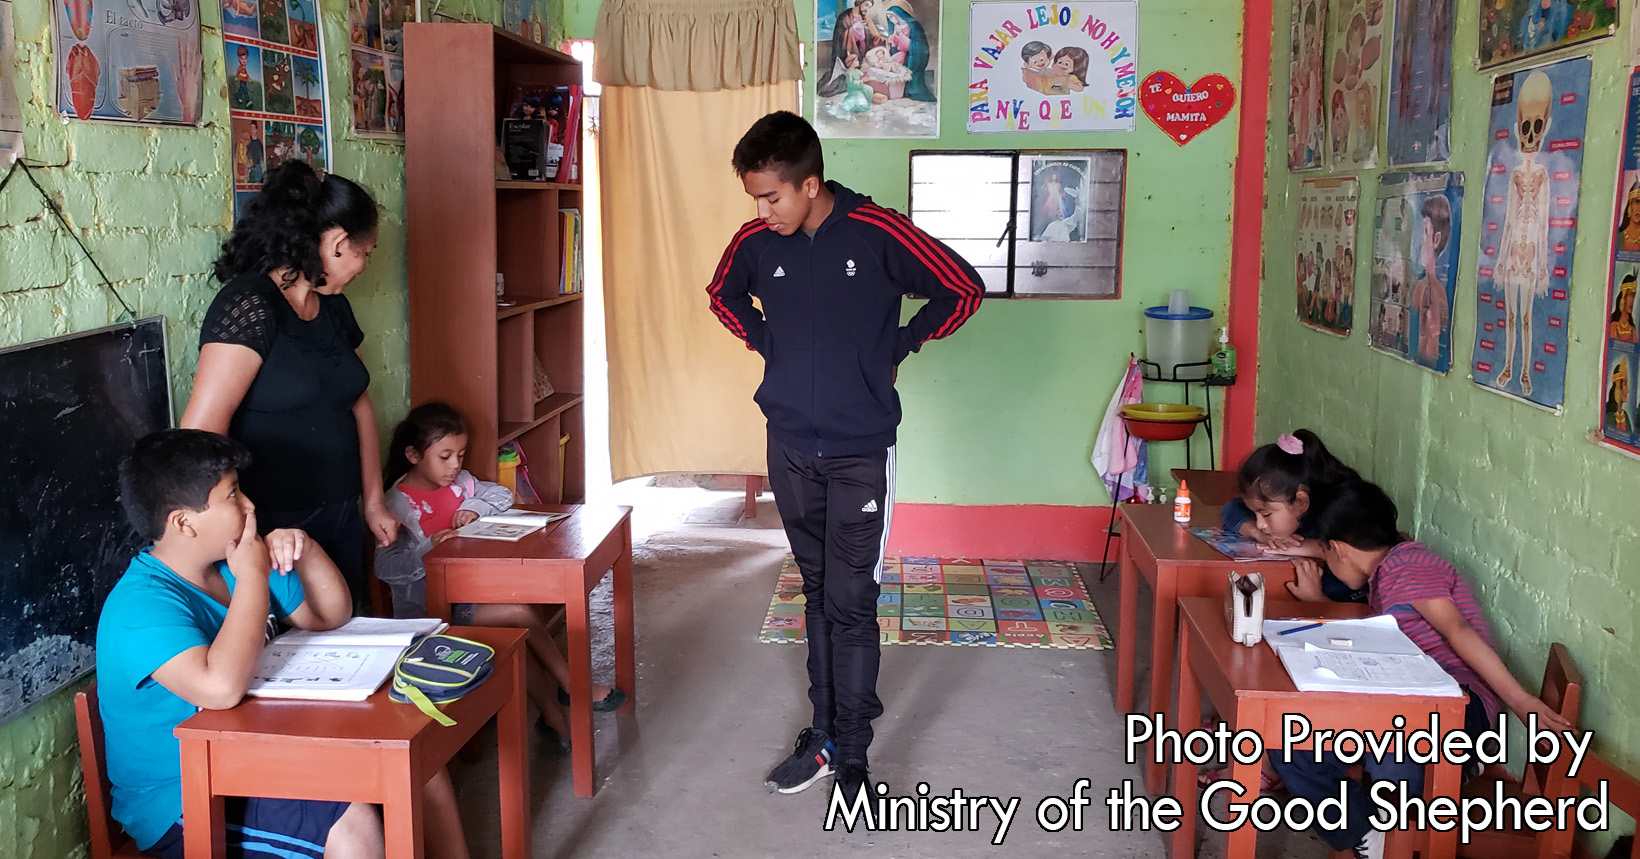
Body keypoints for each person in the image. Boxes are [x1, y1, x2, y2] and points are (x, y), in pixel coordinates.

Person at [708, 111, 982, 801]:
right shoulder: (756, 240)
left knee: (852, 601)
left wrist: (899, 345)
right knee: (818, 590)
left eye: (773, 197)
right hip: (791, 445)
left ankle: (853, 755)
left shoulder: (877, 232)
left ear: (809, 183)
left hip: (860, 449)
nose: (762, 212)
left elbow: (963, 288)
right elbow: (723, 294)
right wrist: (769, 344)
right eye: (755, 199)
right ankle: (825, 728)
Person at [96, 429, 472, 859]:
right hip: (184, 798)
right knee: (350, 825)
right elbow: (219, 689)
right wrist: (254, 575)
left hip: (265, 750)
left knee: (416, 762)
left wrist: (306, 549)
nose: (250, 505)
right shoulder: (142, 605)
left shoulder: (235, 560)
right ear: (184, 522)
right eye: (233, 496)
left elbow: (331, 616)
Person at [1270, 479, 1572, 859]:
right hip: (1406, 704)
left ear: (1340, 550)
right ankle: (1372, 835)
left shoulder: (1406, 567)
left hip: (1460, 711)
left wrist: (1520, 701)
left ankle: (1400, 832)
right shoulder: (1387, 568)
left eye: (1325, 553)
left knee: (1396, 751)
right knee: (1292, 746)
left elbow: (1457, 630)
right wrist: (1319, 602)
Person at [181, 161, 394, 610]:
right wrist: (244, 531)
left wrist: (373, 501)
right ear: (337, 244)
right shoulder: (249, 305)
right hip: (277, 532)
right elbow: (199, 439)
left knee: (349, 641)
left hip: (340, 512)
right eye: (366, 252)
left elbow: (357, 402)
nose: (364, 265)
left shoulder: (333, 308)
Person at [374, 403, 625, 743]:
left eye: (461, 455)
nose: (456, 466)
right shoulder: (397, 504)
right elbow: (386, 567)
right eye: (445, 456)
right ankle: (571, 686)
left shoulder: (461, 484)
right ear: (413, 455)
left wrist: (471, 507)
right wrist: (428, 547)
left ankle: (555, 720)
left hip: (474, 590)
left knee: (516, 632)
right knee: (518, 613)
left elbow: (500, 494)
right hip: (432, 609)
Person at [1222, 429, 1367, 603]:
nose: (1261, 523)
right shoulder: (1276, 504)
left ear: (1301, 501)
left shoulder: (1337, 515)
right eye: (1256, 513)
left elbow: (1354, 616)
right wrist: (1257, 533)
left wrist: (1309, 548)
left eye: (1266, 514)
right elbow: (1231, 509)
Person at [1410, 194, 1452, 366]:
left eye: (1425, 233)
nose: (1421, 241)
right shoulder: (1420, 286)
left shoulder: (1436, 292)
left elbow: (1431, 351)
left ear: (1436, 239)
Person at [1609, 274, 1637, 343]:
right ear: (1623, 297)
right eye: (1630, 295)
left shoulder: (1632, 330)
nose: (1632, 301)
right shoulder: (1614, 326)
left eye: (1634, 296)